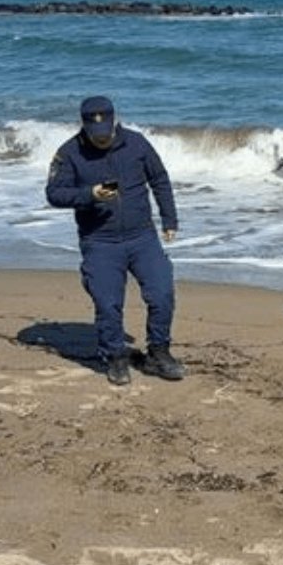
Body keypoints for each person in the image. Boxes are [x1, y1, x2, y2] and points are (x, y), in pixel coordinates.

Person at [45, 95, 186, 386]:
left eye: (106, 134)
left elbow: (159, 179)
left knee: (162, 294)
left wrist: (169, 219)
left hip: (142, 236)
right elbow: (54, 193)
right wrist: (89, 195)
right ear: (84, 127)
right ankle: (115, 356)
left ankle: (159, 352)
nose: (102, 139)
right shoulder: (69, 153)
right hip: (100, 241)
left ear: (114, 122)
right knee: (108, 304)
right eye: (96, 136)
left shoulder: (137, 143)